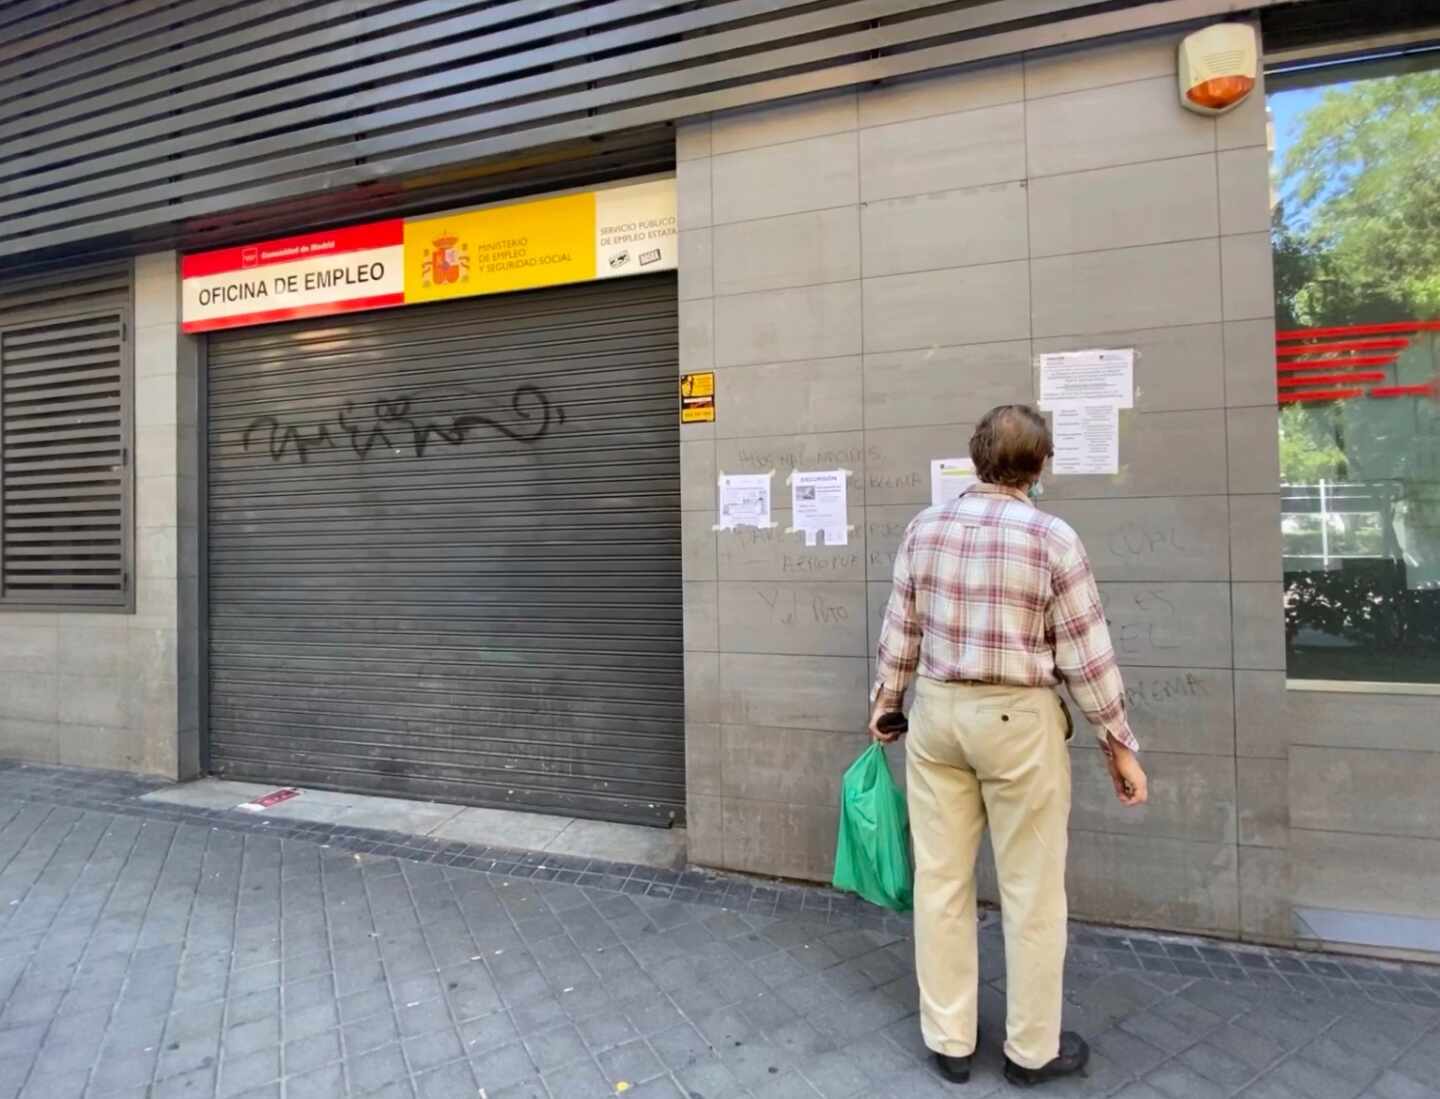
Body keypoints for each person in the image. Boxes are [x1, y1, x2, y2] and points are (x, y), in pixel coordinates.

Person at [869, 404, 1148, 1088]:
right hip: (1019, 722)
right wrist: (1119, 740)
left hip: (937, 715)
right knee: (1031, 890)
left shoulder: (925, 528)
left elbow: (900, 628)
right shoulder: (1053, 537)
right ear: (1041, 463)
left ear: (975, 457)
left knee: (941, 881)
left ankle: (951, 1039)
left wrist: (885, 705)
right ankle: (1030, 1050)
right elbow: (1088, 651)